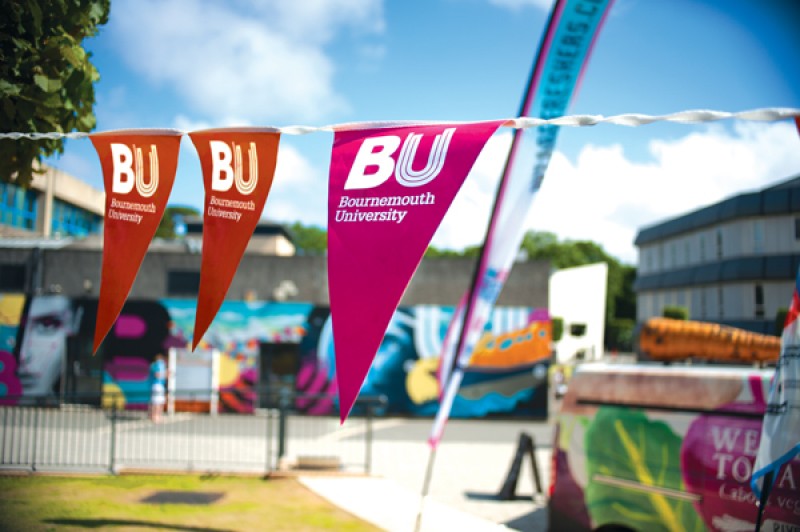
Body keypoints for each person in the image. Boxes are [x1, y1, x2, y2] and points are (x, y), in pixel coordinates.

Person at [148, 353, 168, 422]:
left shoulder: (162, 365)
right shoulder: (155, 365)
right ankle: (154, 416)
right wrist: (165, 374)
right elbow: (157, 375)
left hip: (161, 385)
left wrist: (166, 374)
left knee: (160, 402)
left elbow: (164, 375)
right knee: (155, 402)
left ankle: (158, 415)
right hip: (156, 385)